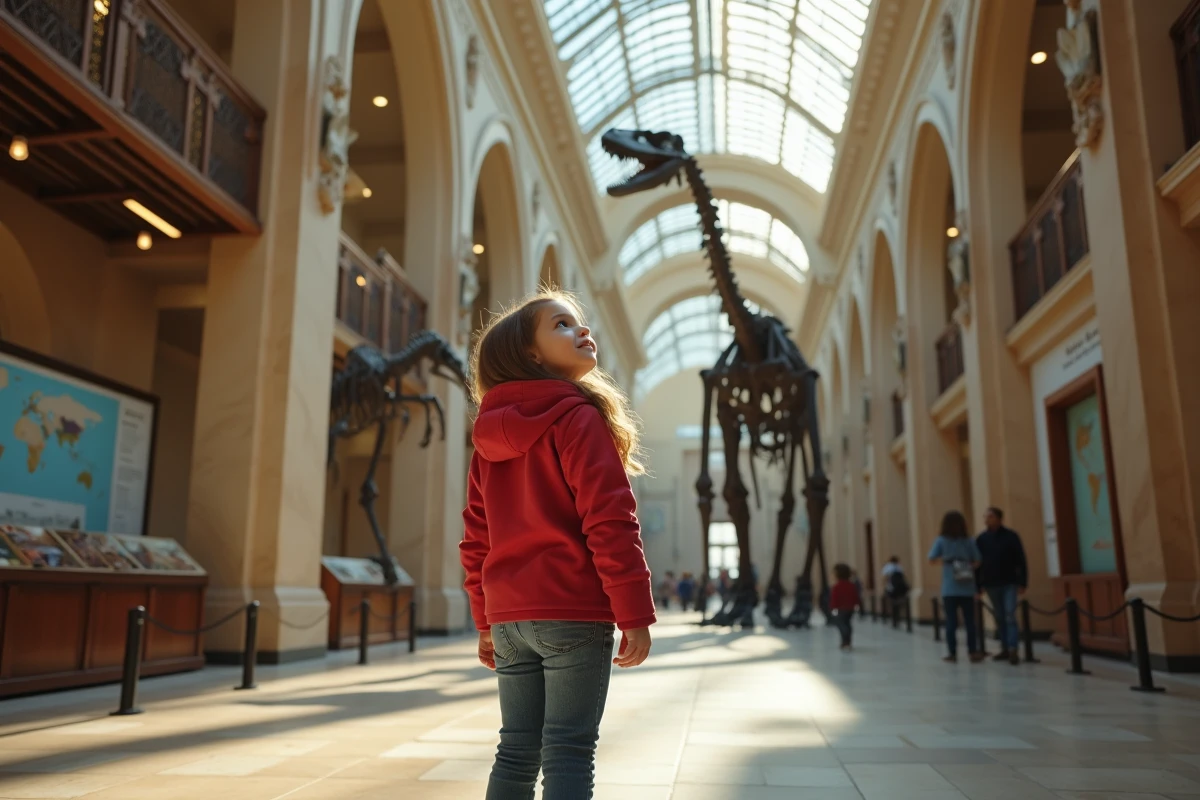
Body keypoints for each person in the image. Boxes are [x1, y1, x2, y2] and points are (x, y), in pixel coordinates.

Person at [459, 290, 656, 799]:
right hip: (572, 610)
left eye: (580, 323)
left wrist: (485, 620)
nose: (581, 331)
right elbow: (610, 519)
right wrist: (634, 611)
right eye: (562, 325)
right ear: (531, 354)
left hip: (508, 622)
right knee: (568, 751)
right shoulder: (578, 417)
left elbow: (476, 539)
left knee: (516, 750)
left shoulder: (488, 434)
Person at [928, 510, 984, 664]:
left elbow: (931, 559)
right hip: (967, 587)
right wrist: (967, 566)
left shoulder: (941, 541)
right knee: (970, 622)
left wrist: (947, 562)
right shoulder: (969, 541)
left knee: (951, 622)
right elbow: (978, 560)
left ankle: (952, 653)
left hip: (949, 588)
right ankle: (972, 651)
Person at [975, 507, 1027, 665]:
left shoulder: (1011, 537)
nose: (987, 519)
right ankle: (1004, 647)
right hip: (991, 584)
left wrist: (1023, 582)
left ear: (999, 518)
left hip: (1009, 582)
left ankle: (1013, 648)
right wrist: (978, 585)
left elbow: (1021, 560)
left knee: (1010, 614)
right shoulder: (981, 539)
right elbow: (978, 564)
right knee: (999, 616)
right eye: (985, 517)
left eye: (990, 516)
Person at [829, 563, 861, 650]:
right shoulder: (851, 585)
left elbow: (835, 598)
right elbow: (855, 596)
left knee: (841, 624)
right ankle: (847, 641)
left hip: (841, 608)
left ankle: (845, 641)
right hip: (850, 608)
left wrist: (833, 608)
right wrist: (856, 605)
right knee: (847, 623)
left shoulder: (837, 586)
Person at [882, 556, 909, 620]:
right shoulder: (899, 567)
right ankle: (897, 614)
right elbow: (903, 577)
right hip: (900, 588)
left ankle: (893, 615)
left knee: (891, 601)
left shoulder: (888, 567)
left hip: (891, 587)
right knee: (898, 600)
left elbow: (885, 577)